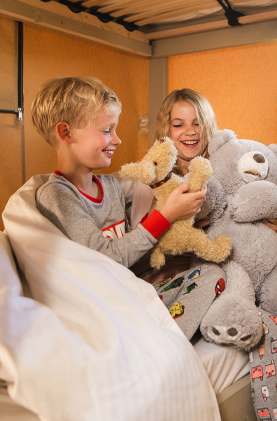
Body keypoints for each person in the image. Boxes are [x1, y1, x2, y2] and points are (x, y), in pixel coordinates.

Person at [137, 88, 277, 421]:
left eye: (197, 123)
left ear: (209, 128)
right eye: (178, 124)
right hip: (191, 280)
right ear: (165, 130)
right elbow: (150, 244)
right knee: (269, 327)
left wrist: (264, 222)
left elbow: (255, 218)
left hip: (237, 269)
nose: (189, 132)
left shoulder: (223, 167)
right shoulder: (156, 179)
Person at [31, 76, 225, 341]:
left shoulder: (111, 187)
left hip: (132, 289)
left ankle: (166, 341)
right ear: (66, 133)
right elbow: (104, 260)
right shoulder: (57, 195)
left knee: (212, 274)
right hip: (102, 304)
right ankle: (164, 346)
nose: (118, 140)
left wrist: (176, 231)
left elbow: (132, 258)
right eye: (107, 131)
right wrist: (165, 216)